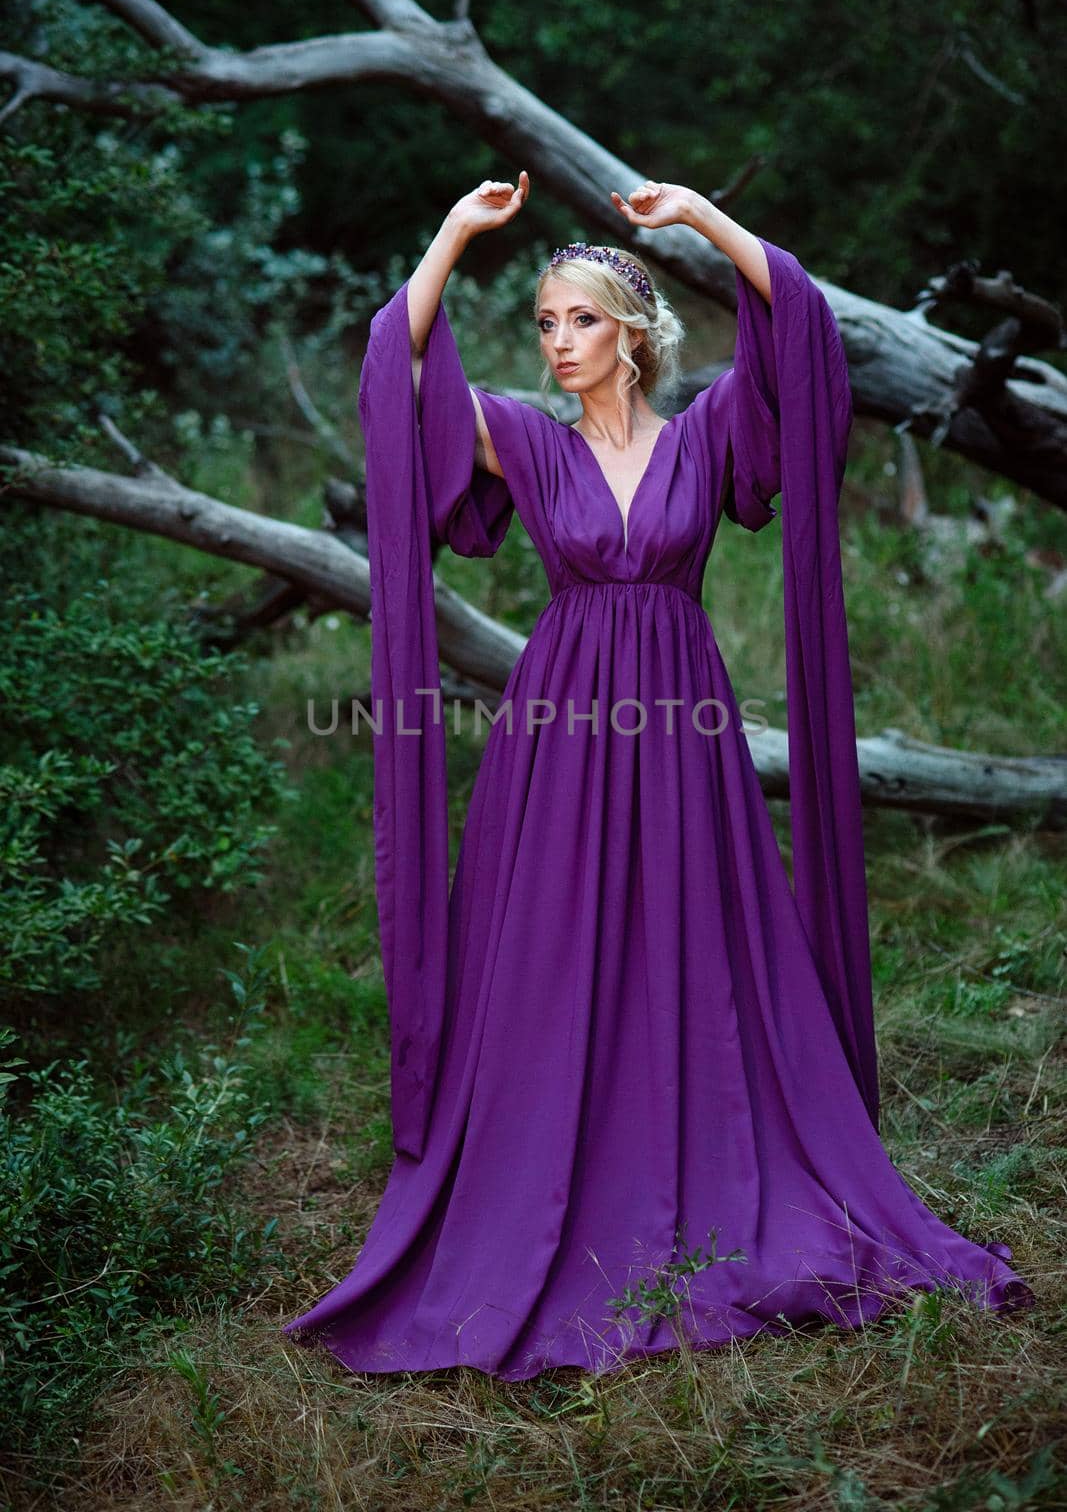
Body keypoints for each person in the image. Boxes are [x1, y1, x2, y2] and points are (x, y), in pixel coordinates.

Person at [281, 173, 1035, 1381]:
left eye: (578, 320)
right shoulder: (522, 438)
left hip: (684, 725)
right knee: (554, 944)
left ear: (632, 334)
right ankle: (542, 1181)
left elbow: (797, 336)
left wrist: (699, 221)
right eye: (542, 323)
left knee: (696, 942)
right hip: (563, 726)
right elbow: (398, 379)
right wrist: (450, 237)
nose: (556, 343)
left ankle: (713, 1165)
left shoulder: (707, 435)